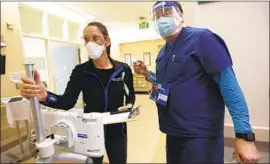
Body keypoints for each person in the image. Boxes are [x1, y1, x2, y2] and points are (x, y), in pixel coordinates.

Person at [133, 1, 260, 164]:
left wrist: (244, 135)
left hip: (200, 136)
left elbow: (229, 86)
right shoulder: (162, 54)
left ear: (181, 16)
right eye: (157, 16)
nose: (161, 19)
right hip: (172, 133)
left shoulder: (202, 39)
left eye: (167, 13)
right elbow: (166, 85)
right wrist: (147, 74)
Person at [20, 22, 135, 164]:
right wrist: (45, 96)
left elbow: (130, 94)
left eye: (95, 38)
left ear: (107, 41)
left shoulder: (123, 69)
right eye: (86, 39)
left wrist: (129, 105)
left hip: (117, 128)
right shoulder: (81, 71)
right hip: (90, 128)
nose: (89, 43)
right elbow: (67, 102)